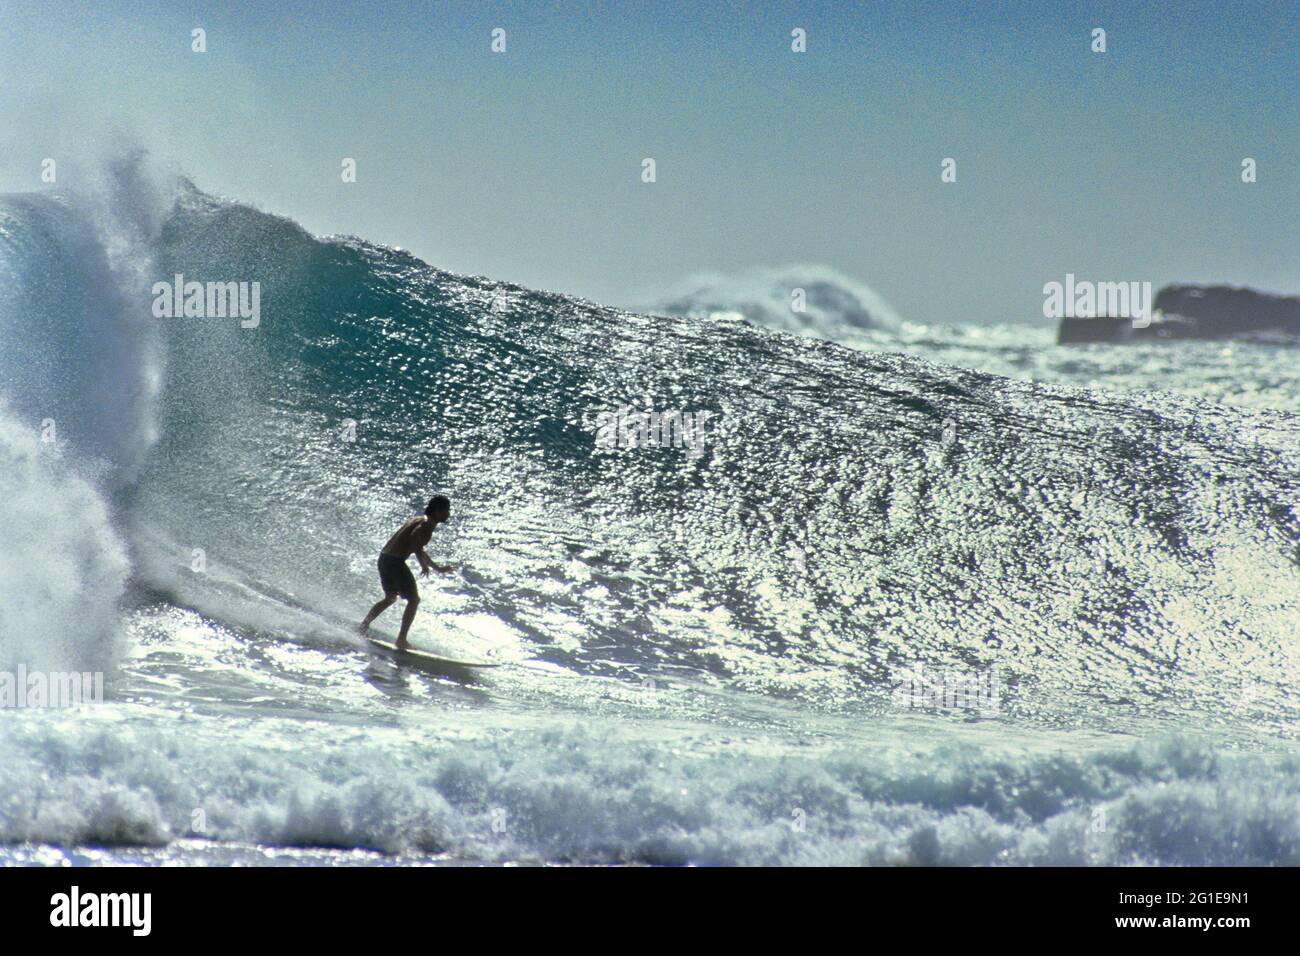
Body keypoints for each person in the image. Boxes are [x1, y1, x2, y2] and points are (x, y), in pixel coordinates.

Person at [359, 495, 455, 649]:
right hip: (395, 562)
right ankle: (401, 639)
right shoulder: (426, 523)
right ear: (438, 511)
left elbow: (418, 546)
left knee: (390, 597)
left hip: (384, 559)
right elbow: (414, 538)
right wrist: (423, 564)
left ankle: (363, 626)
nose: (448, 514)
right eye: (447, 510)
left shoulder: (420, 519)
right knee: (414, 600)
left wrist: (437, 568)